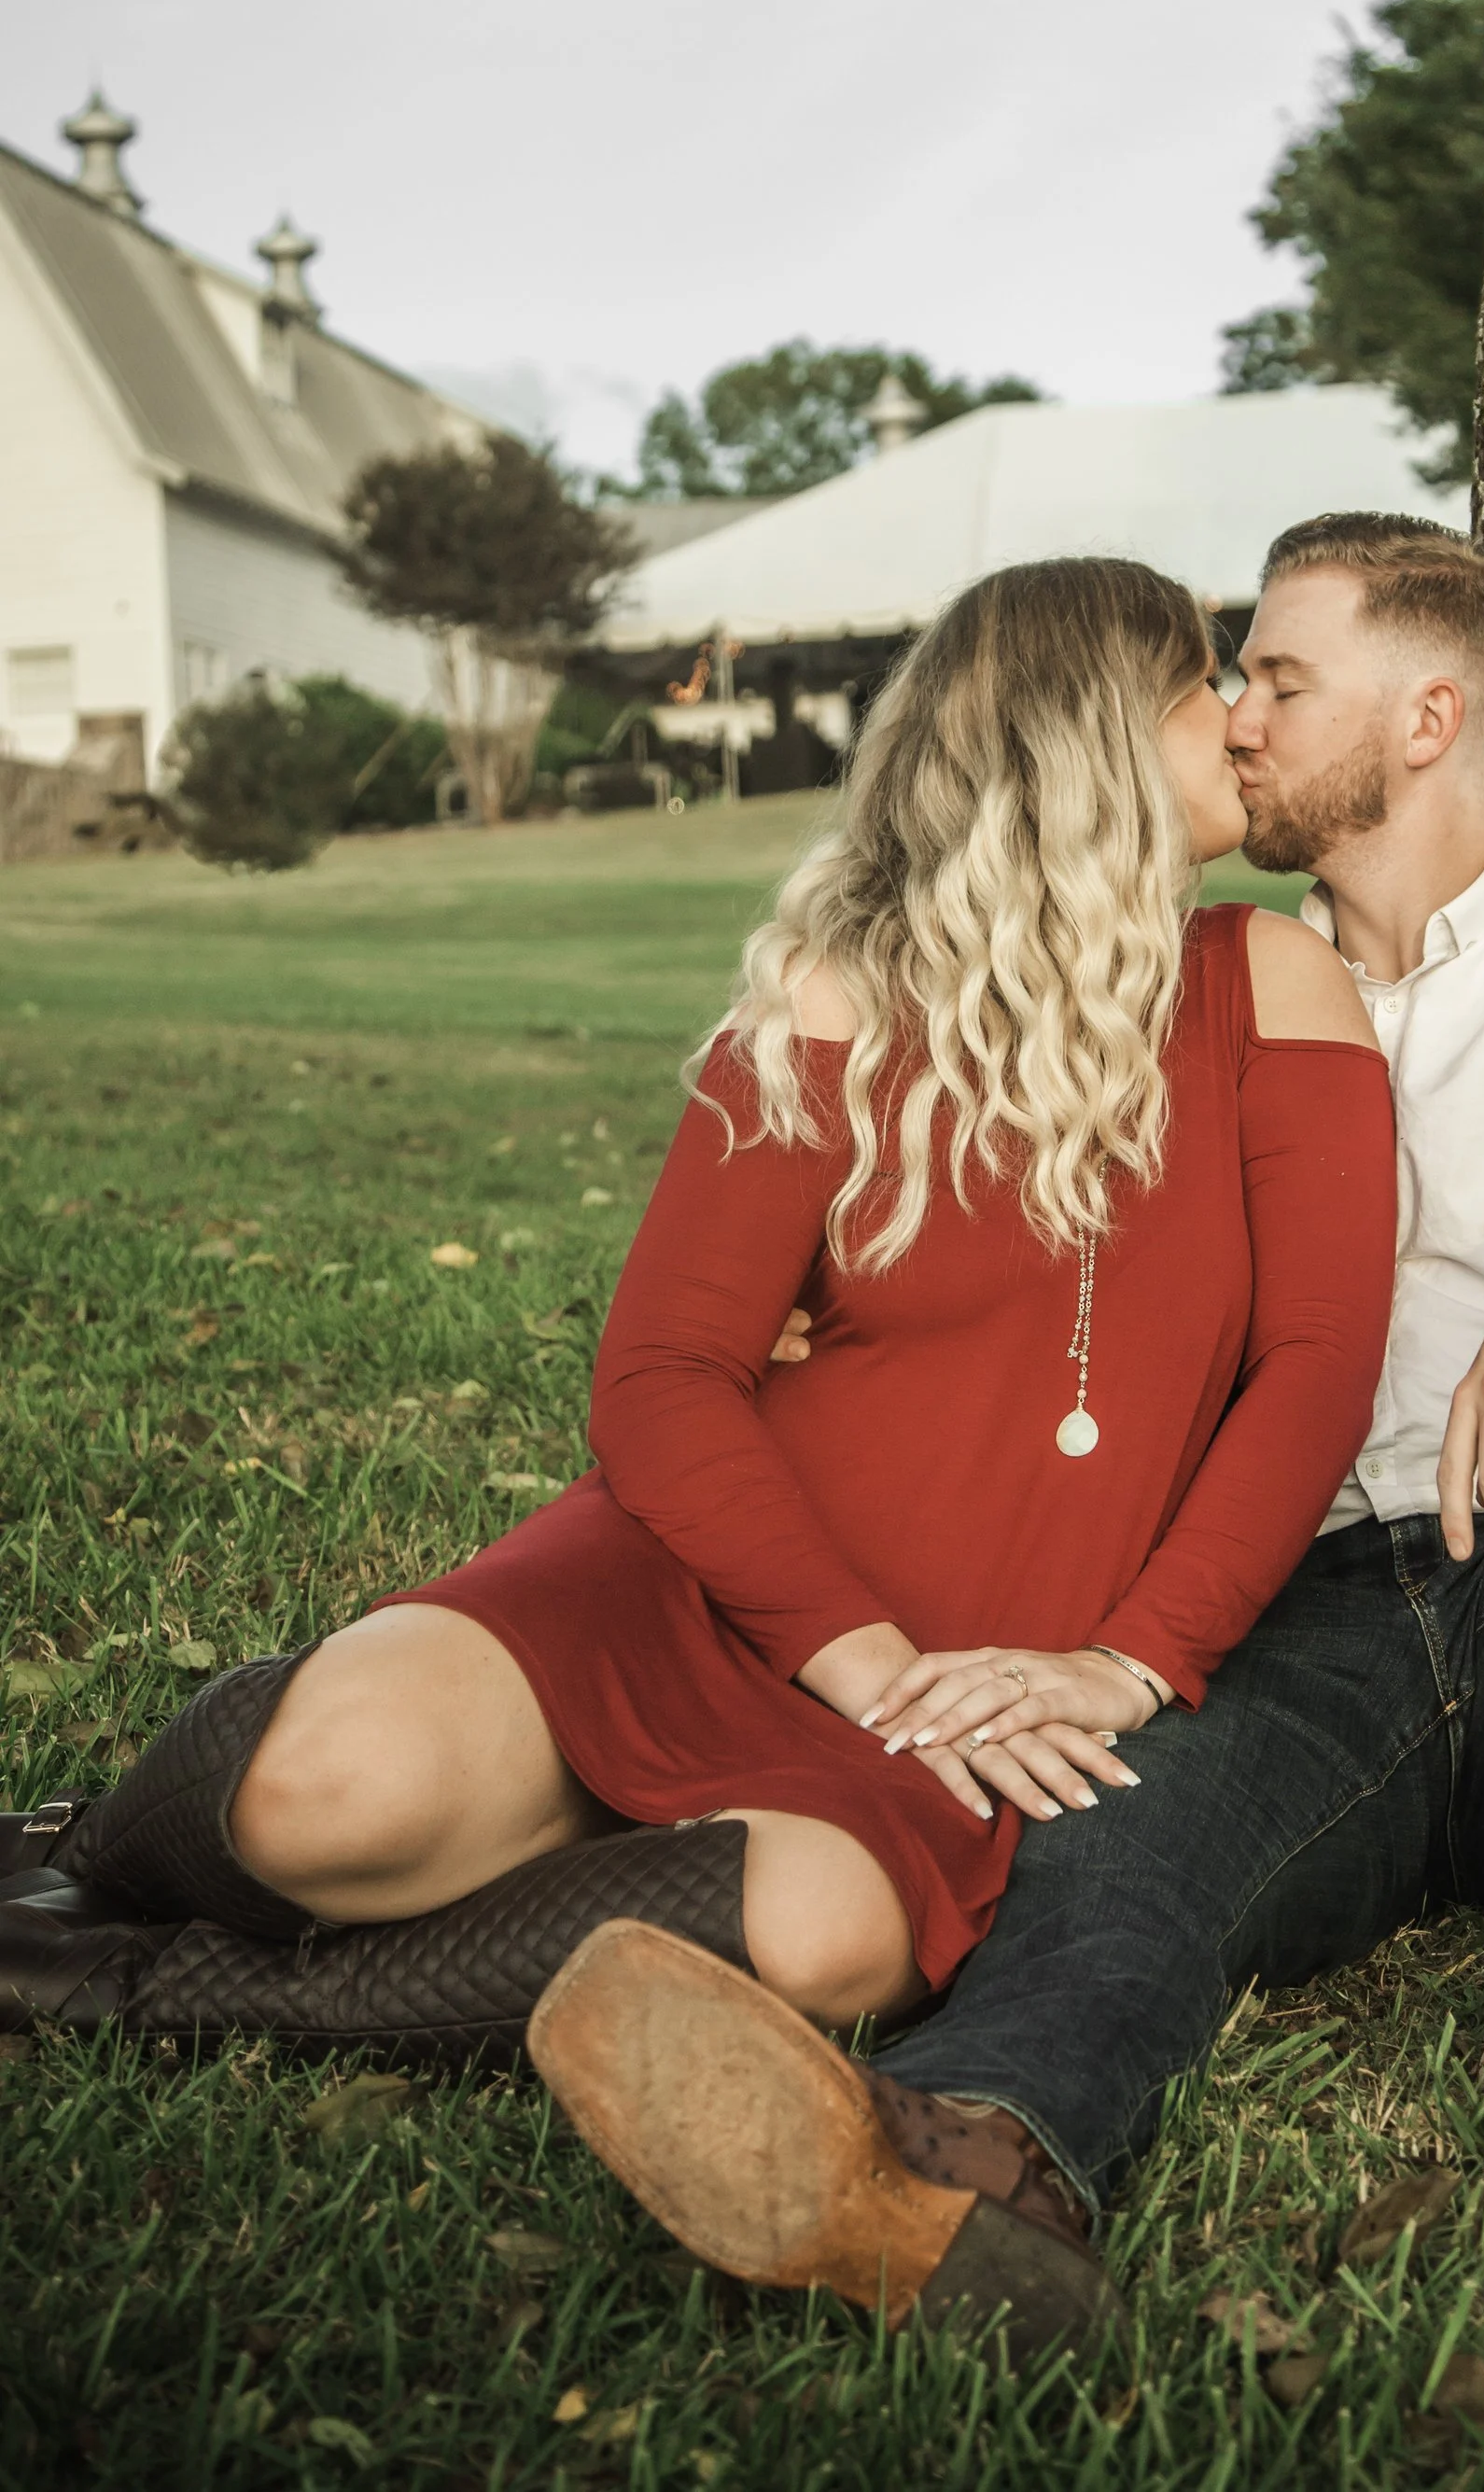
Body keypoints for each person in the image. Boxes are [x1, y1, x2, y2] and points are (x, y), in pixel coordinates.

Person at [517, 511, 1484, 2343]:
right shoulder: (1179, 982)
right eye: (1228, 683)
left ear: (1422, 719)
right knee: (1109, 1834)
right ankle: (958, 2168)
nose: (1234, 714)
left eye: (1277, 680)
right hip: (1299, 1603)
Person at [0, 556, 1395, 2350]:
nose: (1248, 712)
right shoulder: (838, 991)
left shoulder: (1274, 985)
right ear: (1088, 734)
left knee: (817, 1945)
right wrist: (860, 1653)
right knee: (320, 1799)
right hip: (719, 1592)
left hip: (982, 1689)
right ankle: (89, 1839)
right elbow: (665, 1372)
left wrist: (1129, 1661)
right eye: (1209, 679)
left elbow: (1313, 1373)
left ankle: (135, 1985)